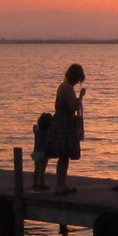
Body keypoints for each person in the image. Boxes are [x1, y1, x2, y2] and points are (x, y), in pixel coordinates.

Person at [45, 63, 86, 194]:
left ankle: (61, 184)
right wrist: (81, 97)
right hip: (64, 125)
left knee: (64, 156)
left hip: (60, 122)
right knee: (64, 156)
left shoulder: (63, 86)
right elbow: (73, 106)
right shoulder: (68, 88)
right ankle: (60, 185)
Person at [30, 112, 53, 189]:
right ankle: (42, 183)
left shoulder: (37, 132)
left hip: (36, 152)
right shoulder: (48, 133)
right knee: (42, 169)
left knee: (36, 169)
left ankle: (35, 182)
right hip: (43, 153)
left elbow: (34, 127)